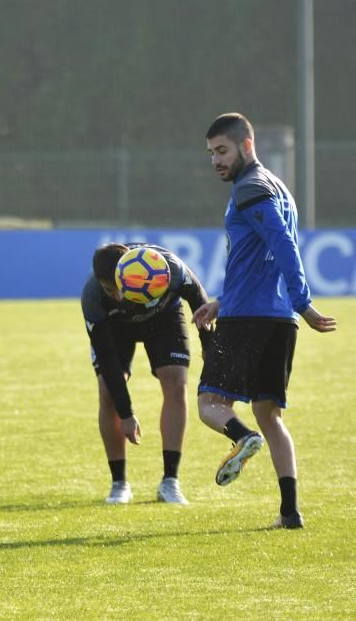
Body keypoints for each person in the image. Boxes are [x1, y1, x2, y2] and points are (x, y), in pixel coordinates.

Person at [194, 113, 336, 529]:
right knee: (270, 415)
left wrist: (305, 302)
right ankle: (289, 512)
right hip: (276, 319)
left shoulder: (250, 189)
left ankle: (240, 439)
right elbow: (262, 257)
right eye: (211, 153)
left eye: (222, 150)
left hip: (250, 320)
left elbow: (282, 244)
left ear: (247, 145)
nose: (215, 161)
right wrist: (222, 300)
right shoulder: (278, 187)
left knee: (210, 403)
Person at [82, 242, 212, 505]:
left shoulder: (169, 269)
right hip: (116, 329)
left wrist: (209, 347)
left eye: (117, 288)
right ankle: (119, 483)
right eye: (109, 290)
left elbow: (200, 303)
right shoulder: (94, 297)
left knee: (176, 383)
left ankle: (170, 481)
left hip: (164, 318)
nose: (116, 297)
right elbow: (107, 359)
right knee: (107, 392)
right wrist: (126, 413)